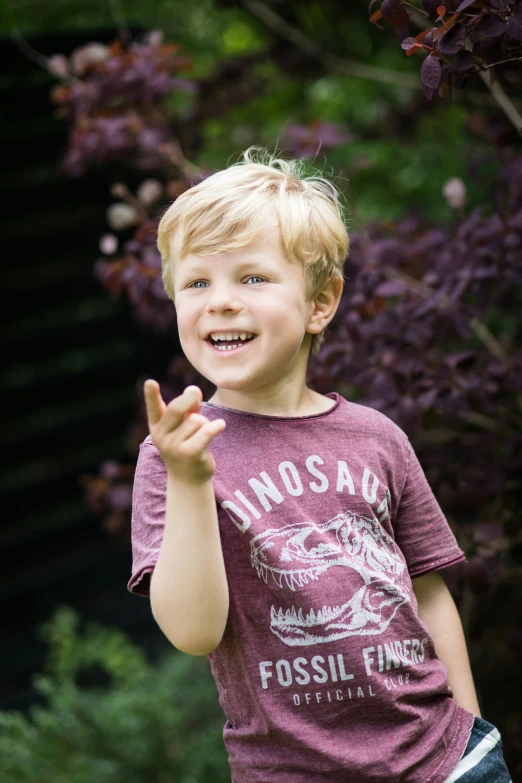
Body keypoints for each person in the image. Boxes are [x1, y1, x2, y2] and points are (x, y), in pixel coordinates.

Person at [127, 148, 512, 782]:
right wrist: (192, 481)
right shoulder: (174, 457)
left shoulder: (377, 437)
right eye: (197, 282)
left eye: (252, 278)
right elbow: (194, 633)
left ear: (319, 303)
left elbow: (427, 591)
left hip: (445, 760)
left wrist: (473, 734)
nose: (220, 302)